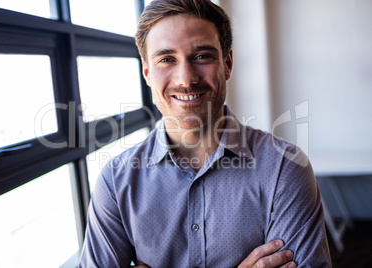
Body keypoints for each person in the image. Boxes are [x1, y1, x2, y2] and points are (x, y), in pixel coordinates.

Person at [79, 0, 332, 267]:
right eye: (166, 59)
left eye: (202, 56)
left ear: (228, 63)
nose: (185, 79)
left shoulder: (285, 166)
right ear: (147, 73)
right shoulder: (116, 183)